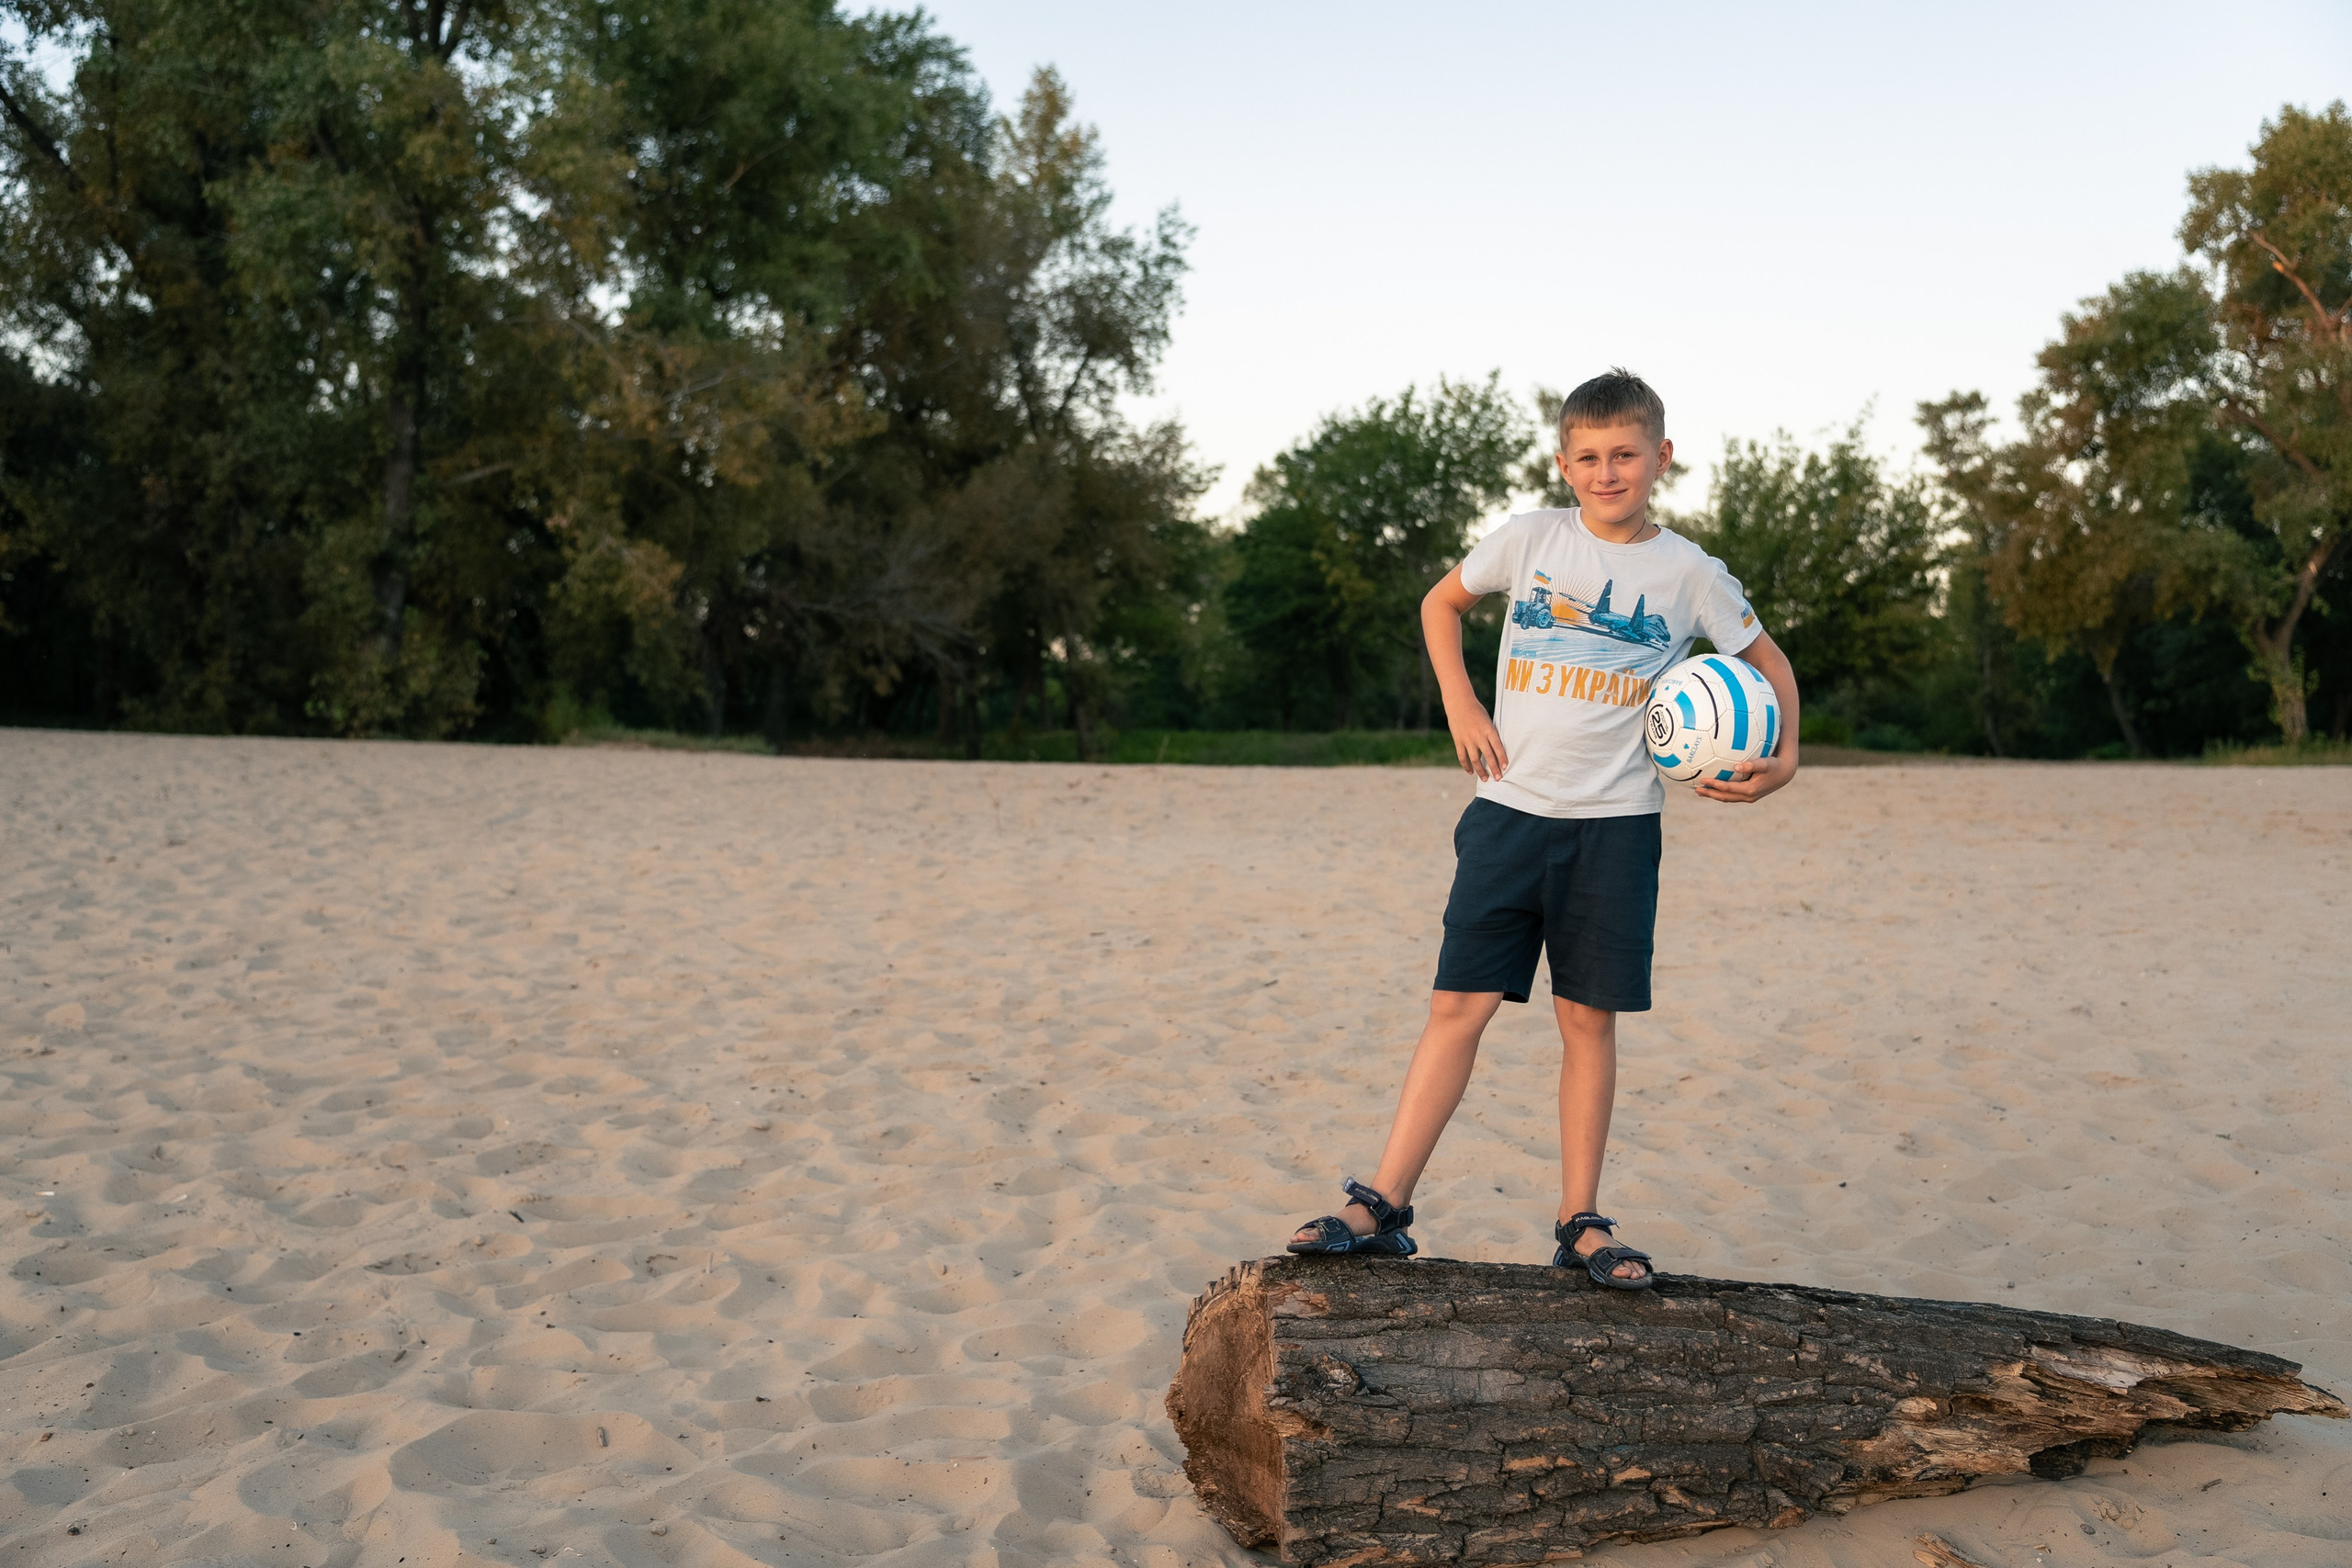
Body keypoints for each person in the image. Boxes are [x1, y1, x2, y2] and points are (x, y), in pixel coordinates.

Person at [1285, 368, 1801, 1289]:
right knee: (1459, 1007)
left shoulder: (1687, 574)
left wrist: (1786, 755)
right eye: (1589, 458)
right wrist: (1460, 703)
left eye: (1626, 455)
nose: (1608, 473)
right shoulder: (1529, 540)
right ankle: (1382, 1205)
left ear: (1660, 457)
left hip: (1616, 829)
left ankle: (1580, 1221)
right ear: (1563, 463)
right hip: (1506, 816)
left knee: (1586, 1021)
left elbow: (1766, 660)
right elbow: (1440, 604)